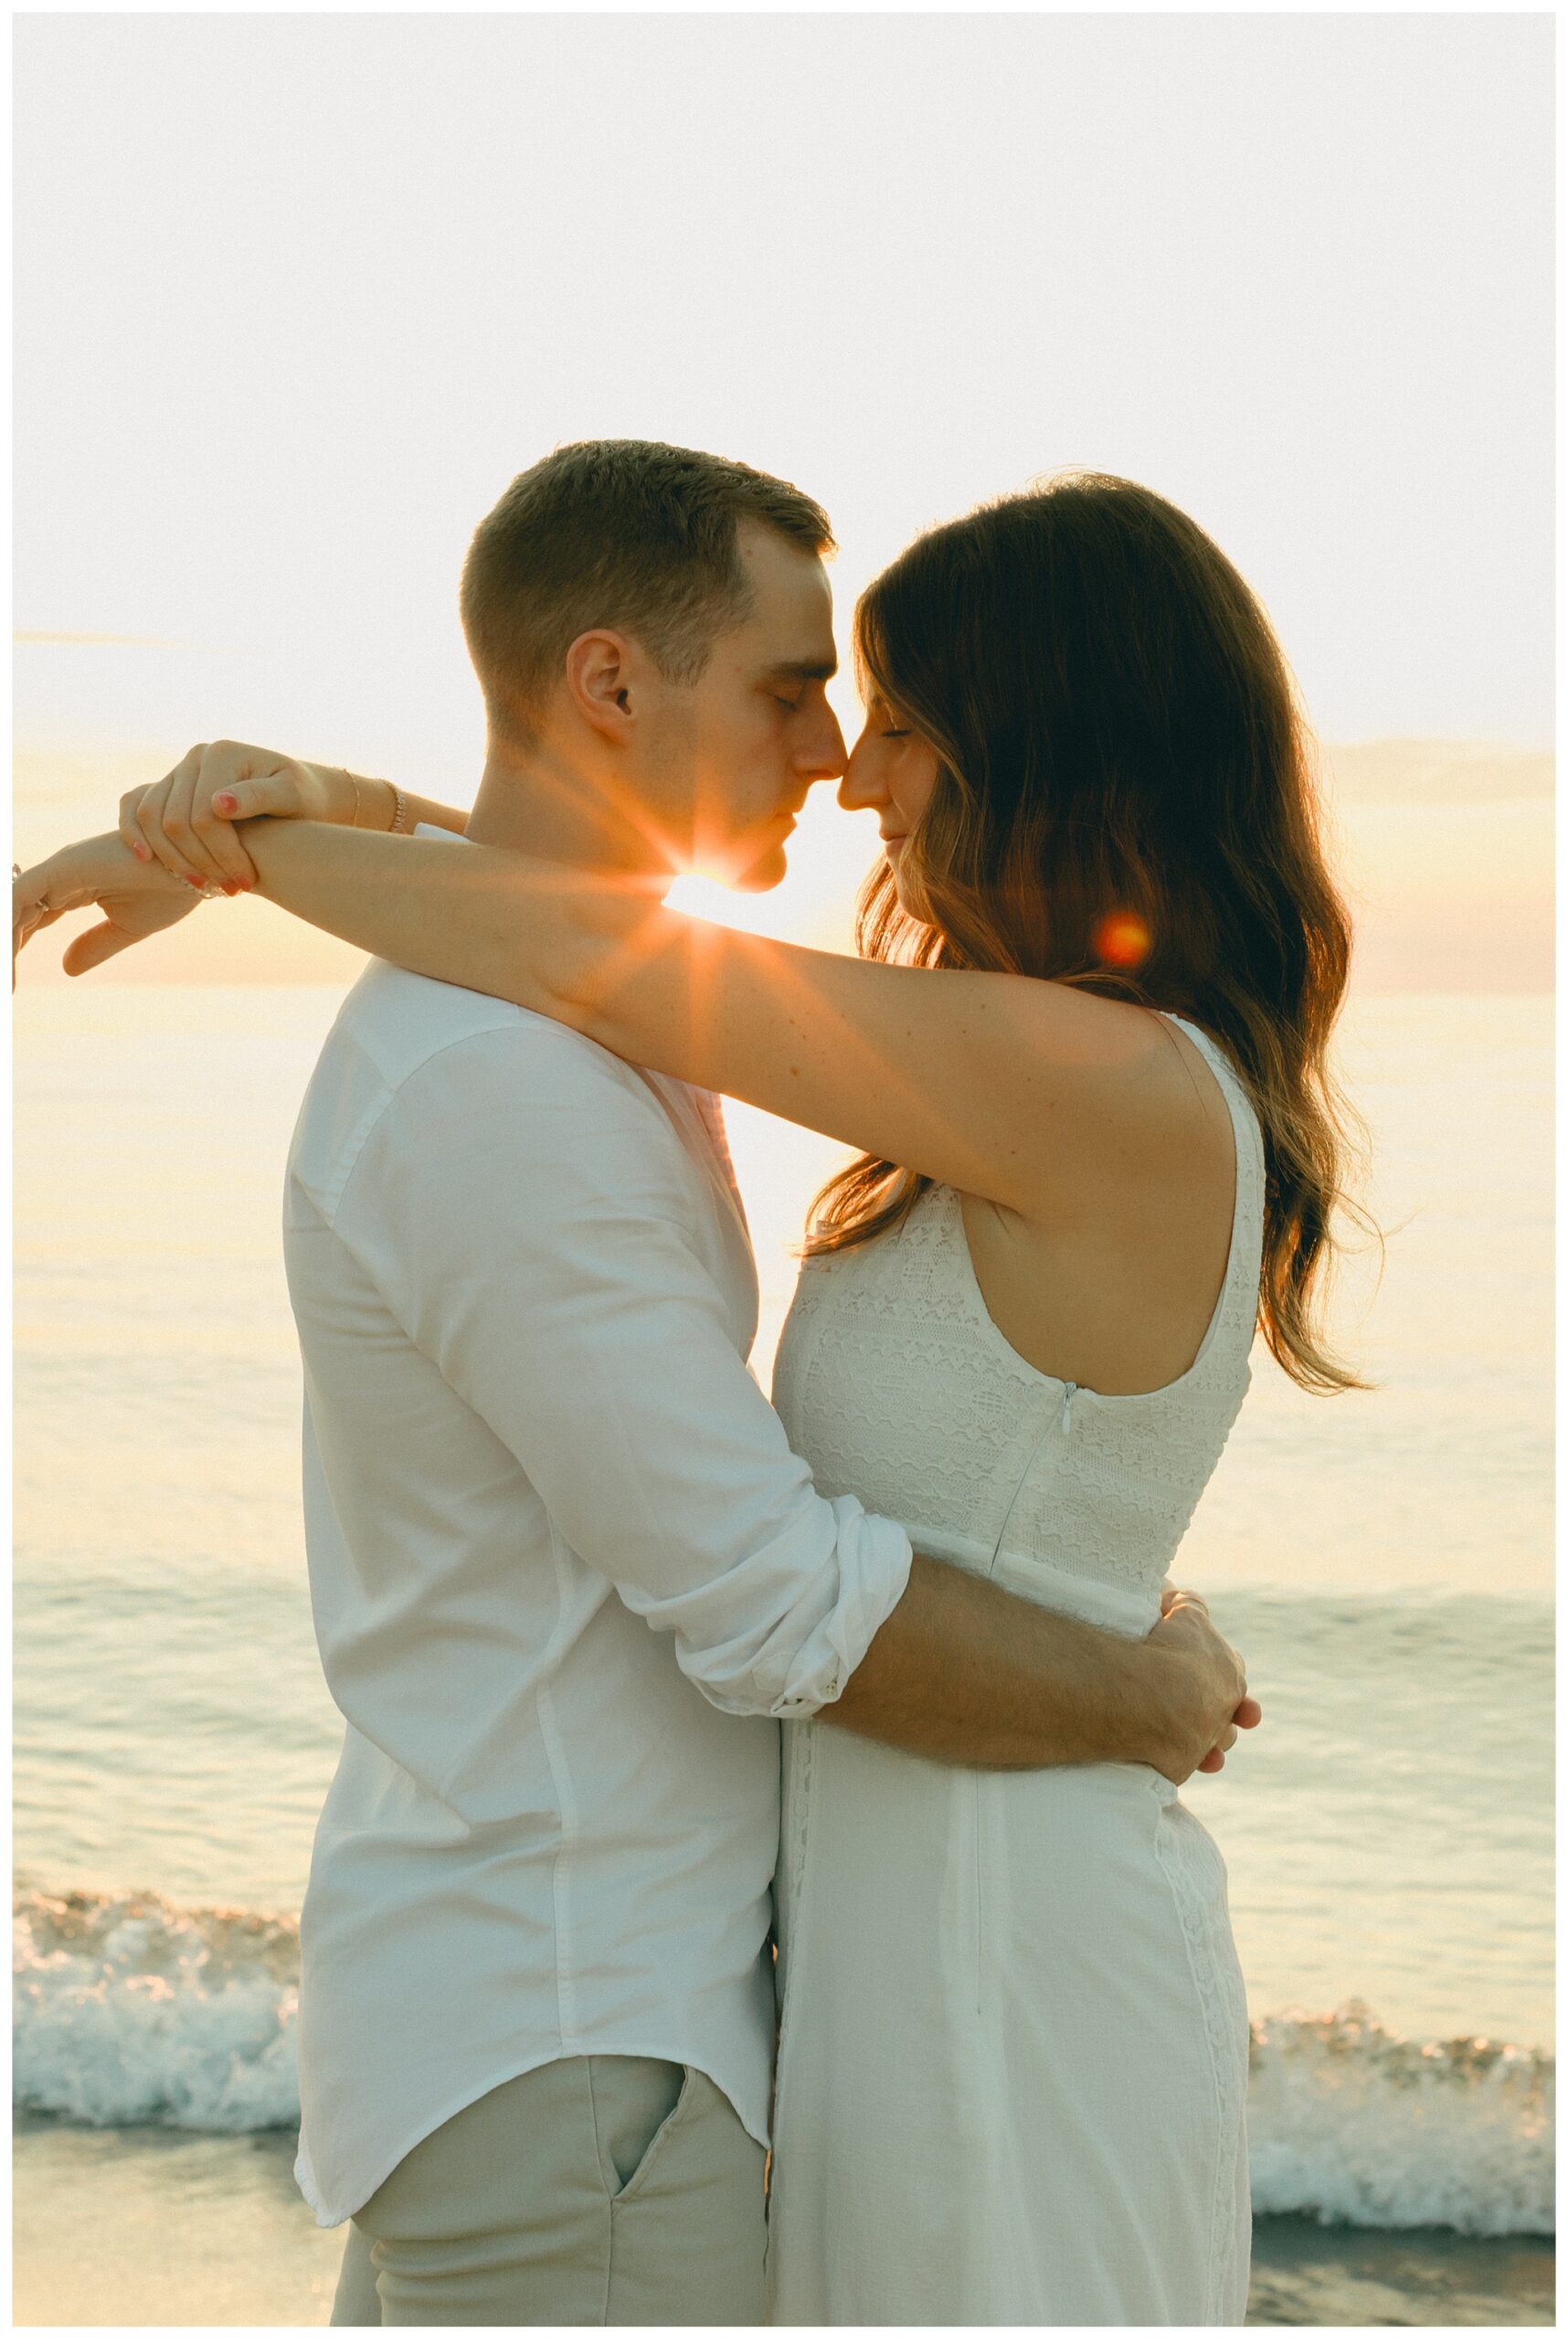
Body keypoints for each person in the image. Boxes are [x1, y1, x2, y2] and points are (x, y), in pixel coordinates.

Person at [11, 444, 1309, 2326]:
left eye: (897, 717)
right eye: (804, 692)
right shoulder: (544, 1066)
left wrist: (259, 838)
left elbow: (585, 941)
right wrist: (1132, 1683)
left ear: (1056, 750)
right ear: (614, 681)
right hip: (707, 1999)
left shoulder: (1081, 1076)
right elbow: (576, 938)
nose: (845, 760)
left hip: (976, 1947)